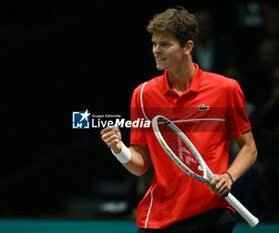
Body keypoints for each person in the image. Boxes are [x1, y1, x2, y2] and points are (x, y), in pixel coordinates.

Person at [100, 6, 257, 233]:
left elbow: (249, 148)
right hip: (160, 216)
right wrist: (118, 149)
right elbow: (140, 164)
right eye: (154, 44)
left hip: (211, 213)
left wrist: (229, 176)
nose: (156, 50)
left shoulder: (226, 89)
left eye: (165, 44)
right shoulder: (143, 95)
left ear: (187, 47)